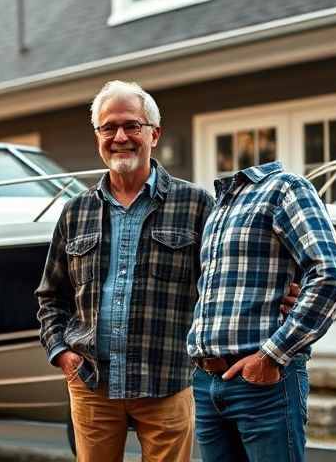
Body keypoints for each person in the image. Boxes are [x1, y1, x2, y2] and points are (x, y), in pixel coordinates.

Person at [36, 80, 298, 461]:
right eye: (108, 127)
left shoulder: (196, 204)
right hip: (91, 384)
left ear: (154, 134)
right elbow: (50, 295)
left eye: (131, 126)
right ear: (97, 137)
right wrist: (62, 352)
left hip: (169, 382)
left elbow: (229, 280)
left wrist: (284, 295)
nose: (120, 136)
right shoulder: (76, 211)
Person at [187, 161, 336, 462]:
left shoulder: (285, 188)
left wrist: (271, 356)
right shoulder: (217, 209)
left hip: (264, 384)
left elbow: (333, 277)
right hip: (207, 383)